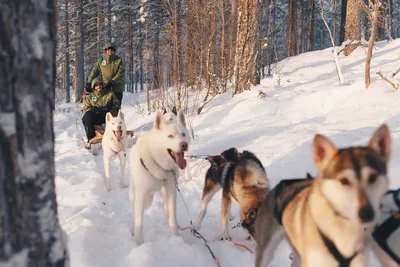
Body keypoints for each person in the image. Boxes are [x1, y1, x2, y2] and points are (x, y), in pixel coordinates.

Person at [82, 77, 120, 146]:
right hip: (96, 117)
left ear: (102, 85)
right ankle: (91, 139)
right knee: (86, 117)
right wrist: (94, 109)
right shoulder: (90, 97)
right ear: (93, 87)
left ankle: (116, 134)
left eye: (100, 84)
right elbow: (85, 109)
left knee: (115, 112)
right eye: (96, 85)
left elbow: (117, 104)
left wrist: (112, 108)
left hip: (107, 117)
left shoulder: (110, 95)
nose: (98, 86)